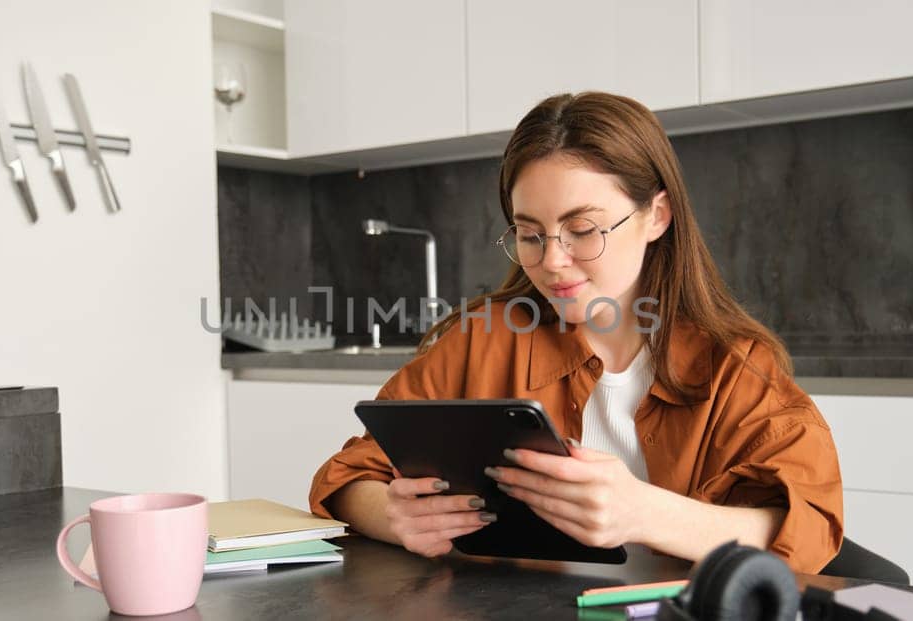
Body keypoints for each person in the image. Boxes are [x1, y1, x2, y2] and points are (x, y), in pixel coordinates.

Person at [307, 92, 844, 573]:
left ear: (656, 216)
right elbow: (347, 478)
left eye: (583, 230)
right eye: (530, 234)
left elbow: (810, 525)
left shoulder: (733, 366)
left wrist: (642, 513)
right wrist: (395, 517)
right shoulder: (481, 340)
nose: (553, 262)